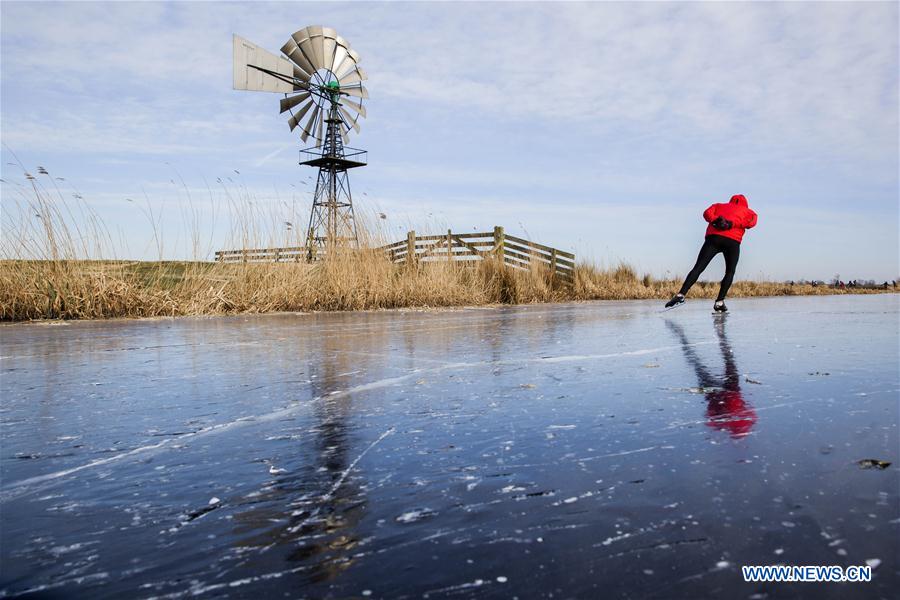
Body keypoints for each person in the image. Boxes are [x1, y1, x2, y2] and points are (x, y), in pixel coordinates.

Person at [665, 194, 758, 312]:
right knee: (730, 272)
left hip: (713, 238)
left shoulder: (718, 206)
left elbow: (706, 213)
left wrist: (715, 220)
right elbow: (751, 223)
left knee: (698, 267)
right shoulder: (750, 212)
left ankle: (681, 294)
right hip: (732, 242)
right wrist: (732, 224)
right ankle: (719, 302)